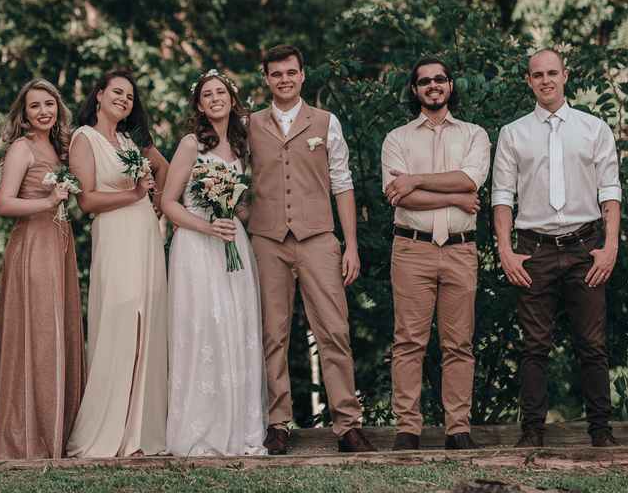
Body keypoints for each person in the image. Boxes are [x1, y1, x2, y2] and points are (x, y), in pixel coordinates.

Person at [246, 44, 375, 455]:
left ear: (303, 75)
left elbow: (342, 182)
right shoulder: (247, 125)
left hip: (319, 238)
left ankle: (347, 425)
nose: (284, 79)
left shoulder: (325, 121)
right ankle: (276, 422)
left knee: (334, 330)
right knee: (271, 334)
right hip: (267, 241)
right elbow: (231, 176)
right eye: (276, 73)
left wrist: (350, 244)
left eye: (291, 72)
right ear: (266, 79)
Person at [491, 49, 621, 449]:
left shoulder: (594, 128)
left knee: (592, 344)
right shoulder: (513, 133)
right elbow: (501, 197)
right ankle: (532, 432)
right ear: (528, 82)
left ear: (566, 75)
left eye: (552, 72)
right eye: (537, 74)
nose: (545, 79)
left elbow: (611, 192)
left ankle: (601, 430)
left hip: (586, 246)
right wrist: (505, 251)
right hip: (533, 250)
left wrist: (610, 246)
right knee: (534, 345)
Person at [381, 57, 490, 451]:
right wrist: (458, 197)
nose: (432, 86)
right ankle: (406, 429)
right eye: (424, 81)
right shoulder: (397, 139)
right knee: (409, 341)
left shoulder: (475, 135)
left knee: (459, 343)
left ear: (449, 85)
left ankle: (457, 428)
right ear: (415, 89)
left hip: (461, 251)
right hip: (412, 248)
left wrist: (417, 180)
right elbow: (397, 195)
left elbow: (469, 178)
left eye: (439, 79)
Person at [161, 69, 268, 457]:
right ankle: (199, 426)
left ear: (231, 98)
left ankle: (237, 424)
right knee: (203, 330)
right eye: (207, 95)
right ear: (199, 104)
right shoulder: (191, 144)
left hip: (231, 244)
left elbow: (240, 206)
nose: (215, 99)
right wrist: (207, 226)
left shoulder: (241, 146)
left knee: (236, 328)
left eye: (220, 92)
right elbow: (168, 203)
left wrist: (244, 214)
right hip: (197, 244)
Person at [64, 70, 170, 458]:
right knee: (122, 327)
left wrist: (158, 203)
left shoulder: (134, 138)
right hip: (114, 235)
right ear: (100, 96)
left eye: (130, 95)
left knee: (148, 330)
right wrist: (136, 194)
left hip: (145, 234)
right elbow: (87, 201)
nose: (124, 99)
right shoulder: (83, 138)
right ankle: (109, 433)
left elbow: (166, 168)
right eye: (117, 92)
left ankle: (140, 436)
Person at [0, 79, 85, 459]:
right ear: (23, 114)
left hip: (59, 244)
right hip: (33, 245)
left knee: (58, 331)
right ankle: (25, 435)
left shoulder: (60, 148)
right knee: (38, 334)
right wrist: (49, 201)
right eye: (34, 106)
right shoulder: (21, 148)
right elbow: (4, 204)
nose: (44, 111)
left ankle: (58, 429)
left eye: (49, 104)